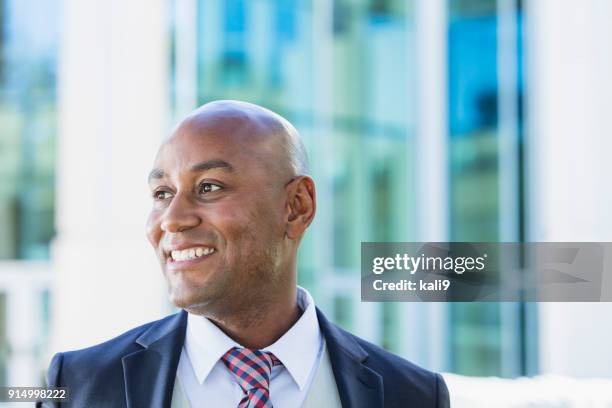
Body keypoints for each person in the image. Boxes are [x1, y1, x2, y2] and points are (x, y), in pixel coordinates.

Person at [41, 101, 450, 407]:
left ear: (296, 207)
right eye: (162, 193)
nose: (172, 219)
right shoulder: (74, 385)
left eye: (210, 187)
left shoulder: (414, 395)